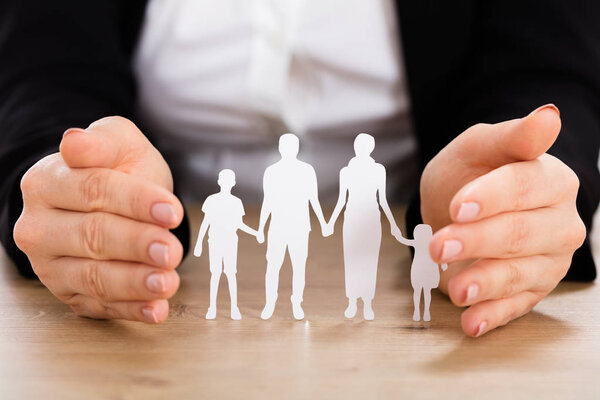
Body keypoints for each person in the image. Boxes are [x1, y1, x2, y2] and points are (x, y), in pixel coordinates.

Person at [1, 1, 598, 337]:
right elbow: (44, 72)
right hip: (173, 261)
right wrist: (76, 182)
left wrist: (509, 187)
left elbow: (546, 70)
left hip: (410, 237)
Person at [327, 133, 402, 320]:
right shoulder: (346, 172)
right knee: (351, 260)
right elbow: (341, 201)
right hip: (352, 217)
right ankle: (352, 302)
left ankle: (367, 303)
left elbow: (382, 200)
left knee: (369, 260)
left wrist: (393, 225)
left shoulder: (378, 170)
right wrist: (330, 222)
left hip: (371, 218)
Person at [257, 134, 331, 320]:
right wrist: (260, 227)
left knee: (298, 267)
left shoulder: (306, 171)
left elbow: (313, 199)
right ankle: (270, 302)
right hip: (278, 226)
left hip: (299, 226)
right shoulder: (271, 172)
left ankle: (296, 302)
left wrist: (323, 223)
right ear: (280, 148)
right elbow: (268, 201)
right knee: (273, 266)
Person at [193, 169, 257, 320]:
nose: (227, 183)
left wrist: (256, 232)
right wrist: (198, 243)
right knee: (215, 274)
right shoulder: (211, 200)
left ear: (233, 183)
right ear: (219, 181)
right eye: (224, 179)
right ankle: (212, 308)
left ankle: (234, 307)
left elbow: (239, 224)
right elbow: (205, 223)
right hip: (214, 242)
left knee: (230, 274)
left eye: (230, 180)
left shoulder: (236, 202)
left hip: (230, 243)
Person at [396, 224, 448, 322]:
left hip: (426, 268)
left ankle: (426, 311)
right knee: (419, 291)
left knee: (424, 292)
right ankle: (417, 311)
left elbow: (439, 253)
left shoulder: (429, 244)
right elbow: (403, 240)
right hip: (419, 269)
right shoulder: (417, 242)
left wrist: (443, 263)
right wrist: (397, 234)